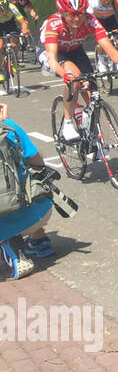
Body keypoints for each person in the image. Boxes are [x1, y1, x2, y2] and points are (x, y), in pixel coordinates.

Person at [39, 0, 118, 142]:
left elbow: (107, 46)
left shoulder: (90, 20)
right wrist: (64, 74)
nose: (77, 18)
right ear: (62, 13)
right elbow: (53, 60)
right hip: (53, 53)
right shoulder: (54, 24)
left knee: (93, 97)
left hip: (75, 50)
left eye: (80, 13)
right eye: (71, 14)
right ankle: (68, 123)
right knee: (74, 77)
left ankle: (93, 136)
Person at [0, 103, 55, 276]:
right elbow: (38, 162)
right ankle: (39, 239)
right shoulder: (10, 129)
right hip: (39, 214)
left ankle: (10, 248)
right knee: (26, 179)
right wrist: (7, 122)